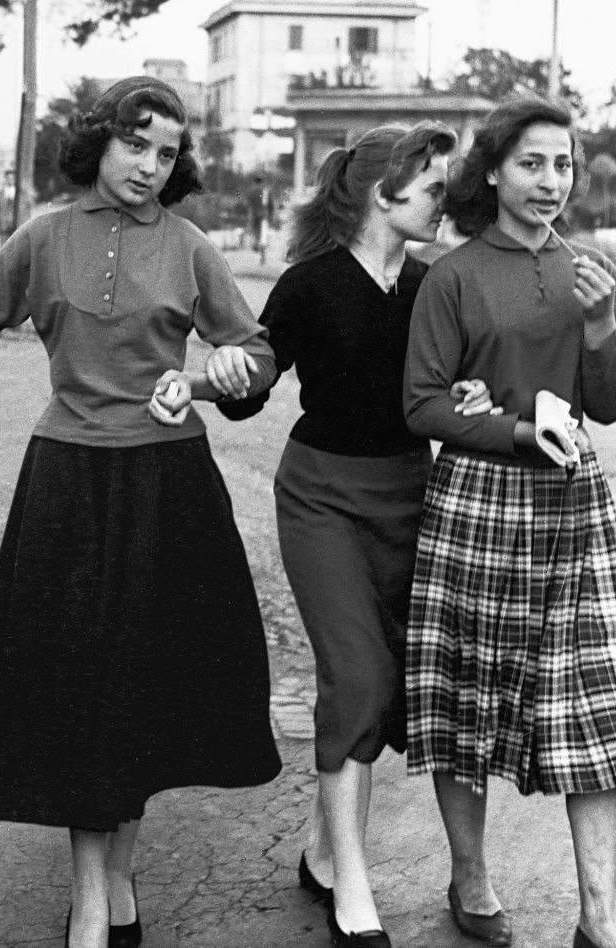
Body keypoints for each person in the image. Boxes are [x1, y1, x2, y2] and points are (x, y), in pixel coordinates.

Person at [0, 75, 282, 948]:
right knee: (80, 689)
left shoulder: (191, 246)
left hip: (169, 486)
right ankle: (94, 901)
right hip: (68, 483)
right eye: (135, 143)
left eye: (166, 152)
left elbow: (256, 356)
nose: (149, 165)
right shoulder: (42, 236)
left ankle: (115, 880)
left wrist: (216, 377)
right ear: (99, 141)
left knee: (140, 690)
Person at [224, 122, 500, 948]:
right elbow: (253, 383)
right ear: (385, 192)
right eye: (433, 189)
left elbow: (452, 386)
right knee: (358, 678)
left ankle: (319, 849)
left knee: (392, 687)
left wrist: (474, 395)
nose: (444, 204)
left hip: (413, 499)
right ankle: (352, 886)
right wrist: (229, 373)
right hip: (322, 501)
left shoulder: (433, 284)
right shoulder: (308, 284)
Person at [404, 96, 616, 948]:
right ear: (495, 172)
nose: (551, 181)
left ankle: (601, 916)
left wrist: (601, 324)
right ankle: (471, 880)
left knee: (602, 697)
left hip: (575, 501)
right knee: (466, 699)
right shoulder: (454, 275)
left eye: (563, 165)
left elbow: (610, 405)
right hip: (478, 504)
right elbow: (422, 406)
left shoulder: (592, 271)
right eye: (532, 163)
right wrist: (512, 429)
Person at [244, 172, 276, 264]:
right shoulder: (266, 191)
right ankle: (262, 255)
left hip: (253, 215)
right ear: (262, 181)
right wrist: (271, 216)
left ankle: (256, 245)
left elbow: (248, 204)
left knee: (255, 233)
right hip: (264, 216)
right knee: (263, 236)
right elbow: (271, 205)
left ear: (255, 181)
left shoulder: (250, 191)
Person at [0, 168, 17, 244]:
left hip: (17, 227)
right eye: (8, 178)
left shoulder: (20, 194)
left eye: (12, 178)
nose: (10, 180)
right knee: (4, 247)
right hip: (3, 227)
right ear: (5, 179)